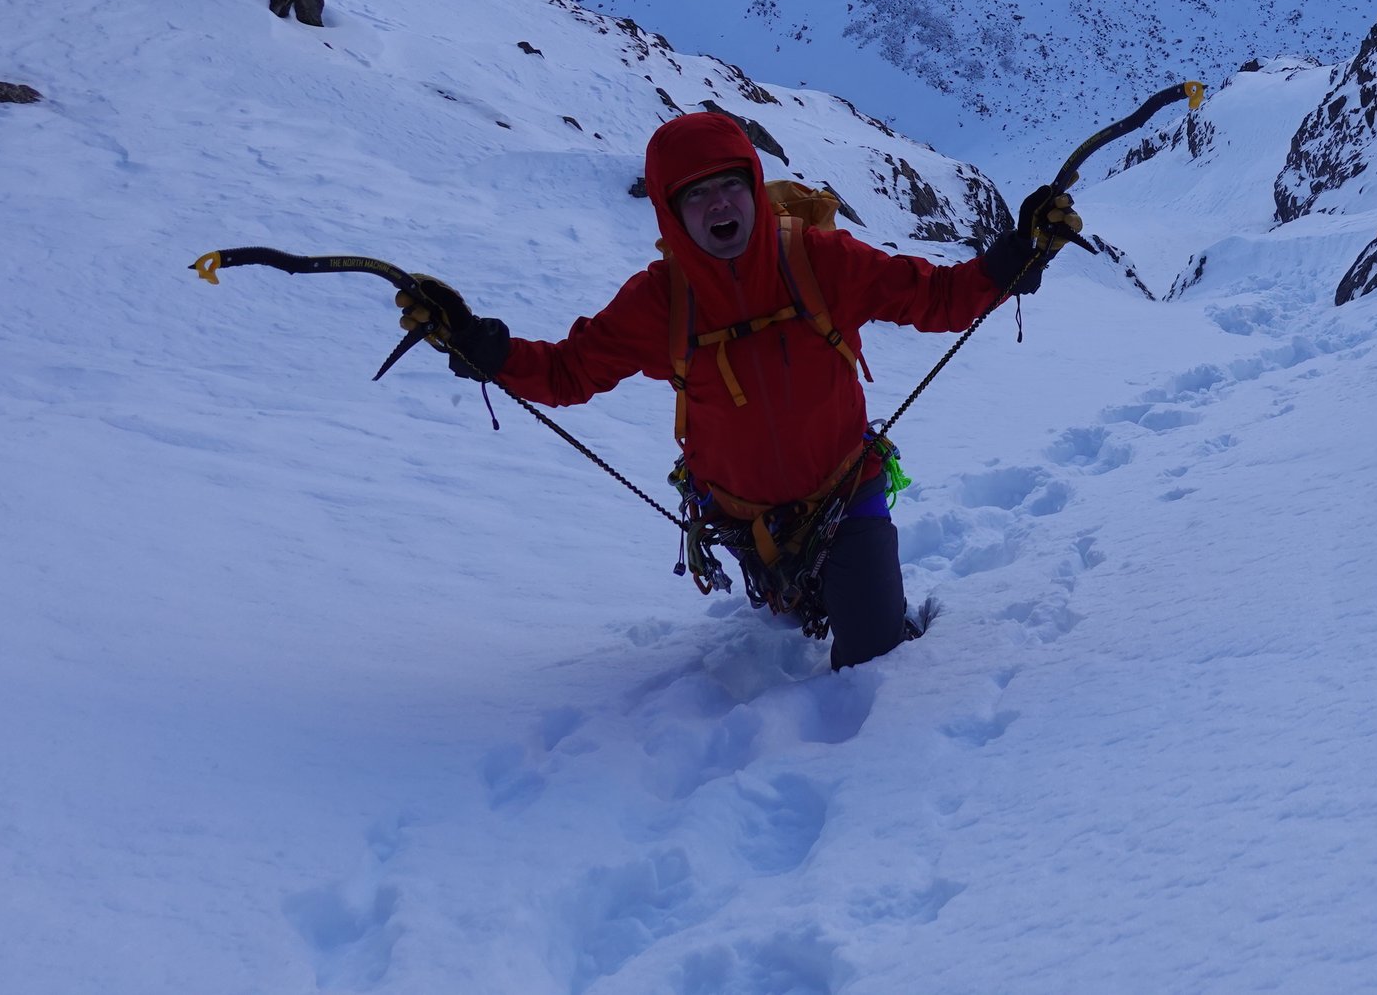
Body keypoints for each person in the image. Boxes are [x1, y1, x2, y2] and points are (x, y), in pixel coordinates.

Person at [395, 109, 1081, 670]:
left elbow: (937, 298)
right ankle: (807, 585)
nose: (719, 203)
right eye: (696, 194)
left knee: (872, 656)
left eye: (730, 185)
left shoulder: (820, 261)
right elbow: (572, 370)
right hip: (743, 518)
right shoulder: (659, 301)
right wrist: (490, 351)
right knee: (793, 593)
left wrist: (1012, 257)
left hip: (845, 491)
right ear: (671, 212)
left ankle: (862, 597)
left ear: (755, 186)